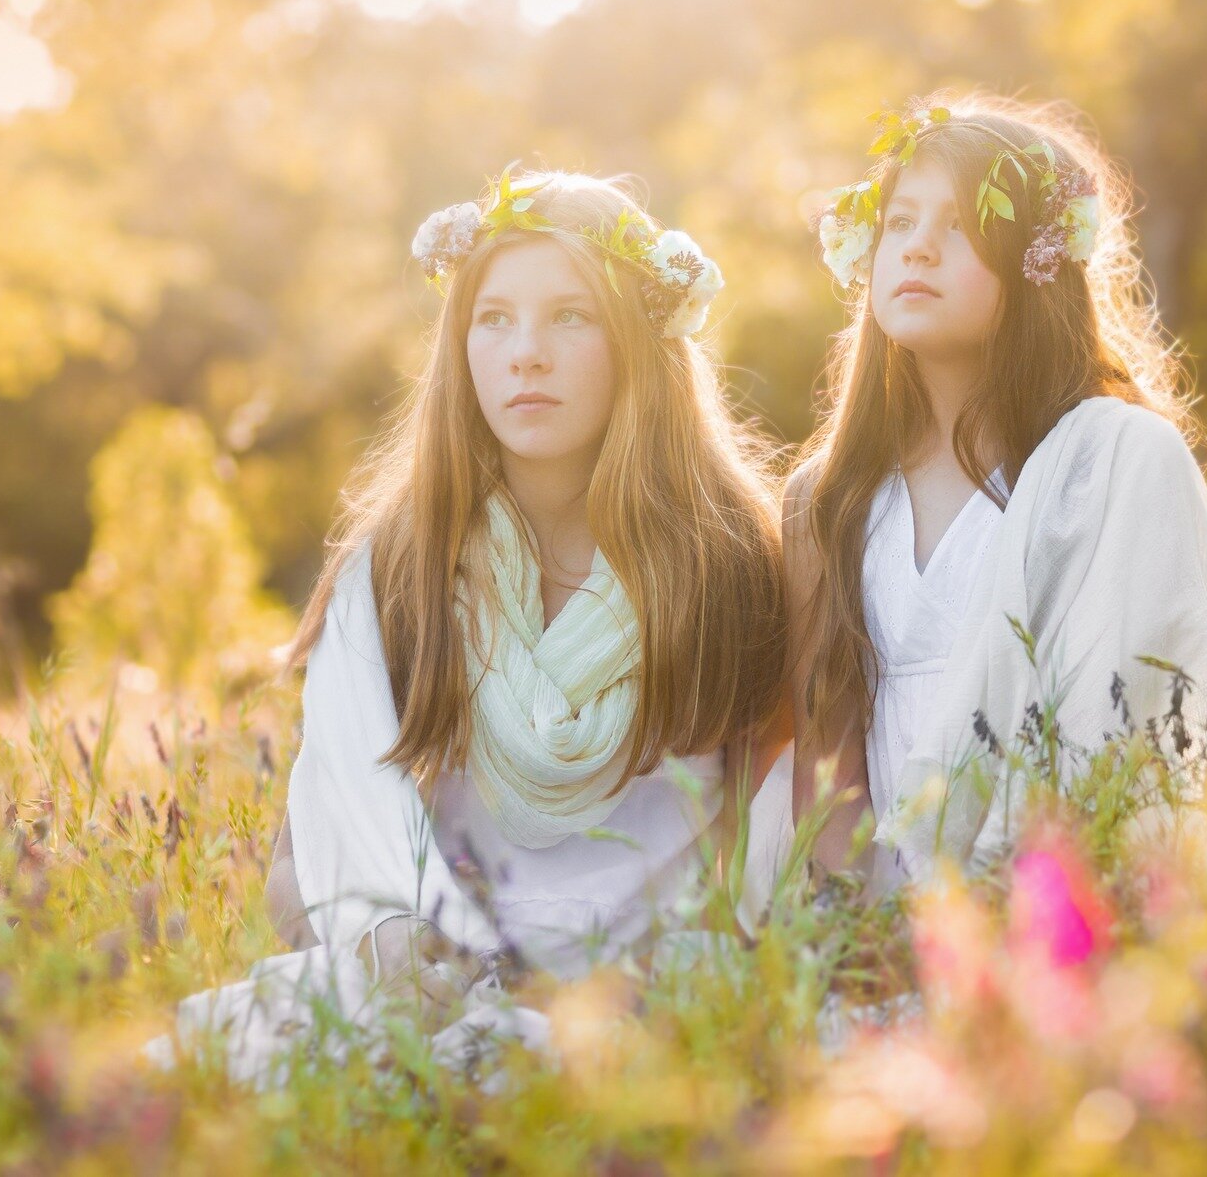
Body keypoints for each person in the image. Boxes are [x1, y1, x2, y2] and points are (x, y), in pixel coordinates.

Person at [150, 167, 788, 1084]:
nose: (526, 352)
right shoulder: (399, 569)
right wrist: (395, 956)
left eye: (572, 317)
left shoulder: (731, 564)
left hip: (646, 1004)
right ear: (462, 347)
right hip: (426, 989)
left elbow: (769, 836)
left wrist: (646, 995)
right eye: (495, 319)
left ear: (642, 344)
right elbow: (310, 856)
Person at [787, 94, 1207, 893]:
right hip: (886, 929)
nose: (919, 249)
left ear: (1037, 261)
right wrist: (865, 941)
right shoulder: (828, 496)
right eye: (900, 223)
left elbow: (1145, 729)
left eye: (962, 227)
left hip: (1067, 906)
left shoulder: (1111, 463)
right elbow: (825, 760)